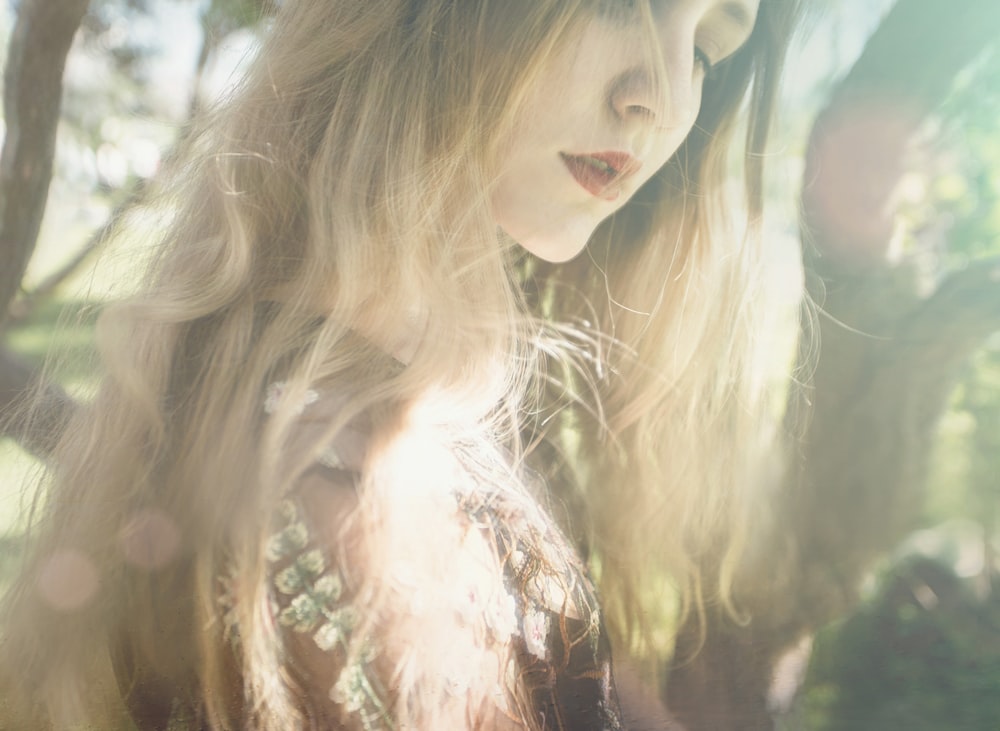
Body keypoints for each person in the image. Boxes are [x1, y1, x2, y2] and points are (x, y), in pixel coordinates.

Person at [0, 0, 802, 728]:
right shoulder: (332, 476)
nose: (660, 101)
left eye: (704, 49)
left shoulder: (446, 397)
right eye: (617, 4)